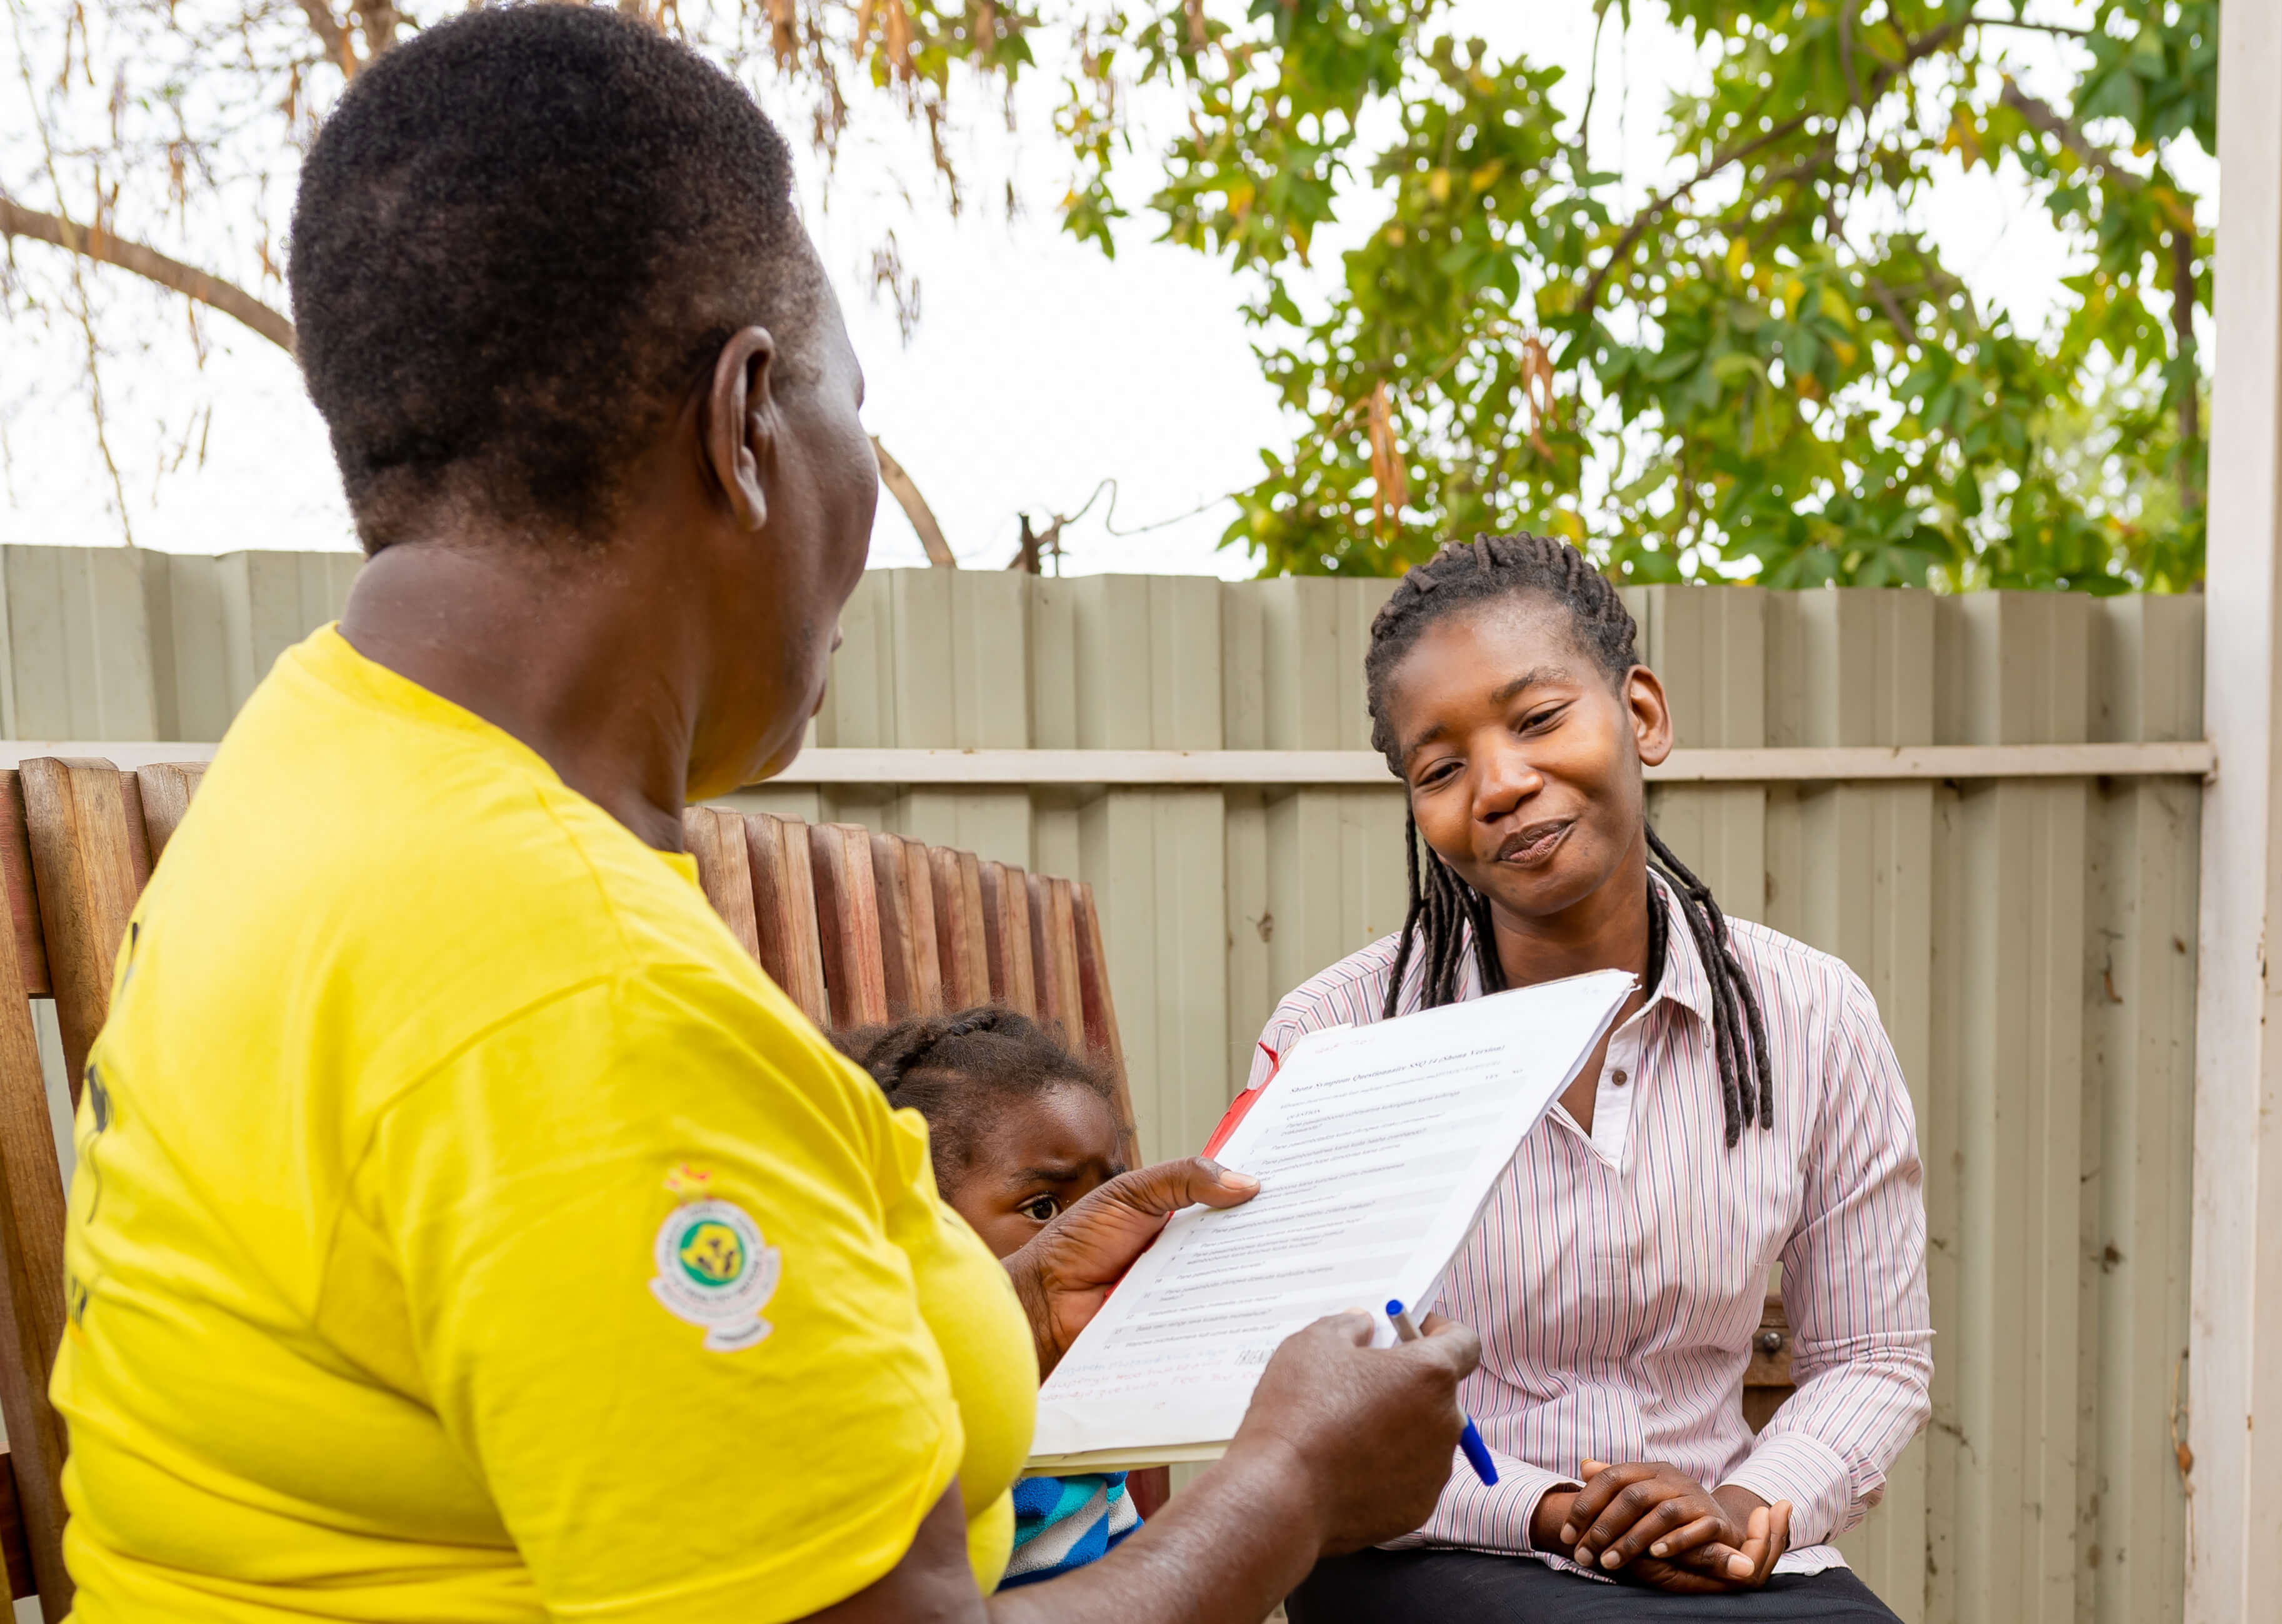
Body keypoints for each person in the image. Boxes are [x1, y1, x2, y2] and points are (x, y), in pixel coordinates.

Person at [47, 9, 1480, 1622]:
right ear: (741, 425)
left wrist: (1009, 1302)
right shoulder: (570, 979)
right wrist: (1290, 1479)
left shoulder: (327, 765)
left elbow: (568, 1341)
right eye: (846, 412)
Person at [1263, 536, 1931, 1623]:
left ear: (1642, 714)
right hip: (1432, 1542)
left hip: (1714, 1543)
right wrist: (1549, 1506)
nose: (1501, 783)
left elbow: (1874, 1355)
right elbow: (1303, 1388)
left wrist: (1744, 1503)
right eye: (1440, 768)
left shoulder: (1810, 1016)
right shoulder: (1340, 1035)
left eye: (1535, 720)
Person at [835, 1007, 1143, 1587]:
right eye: (1044, 1207)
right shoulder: (942, 1455)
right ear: (926, 1227)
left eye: (1115, 1198)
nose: (1103, 1237)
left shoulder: (1082, 1421)